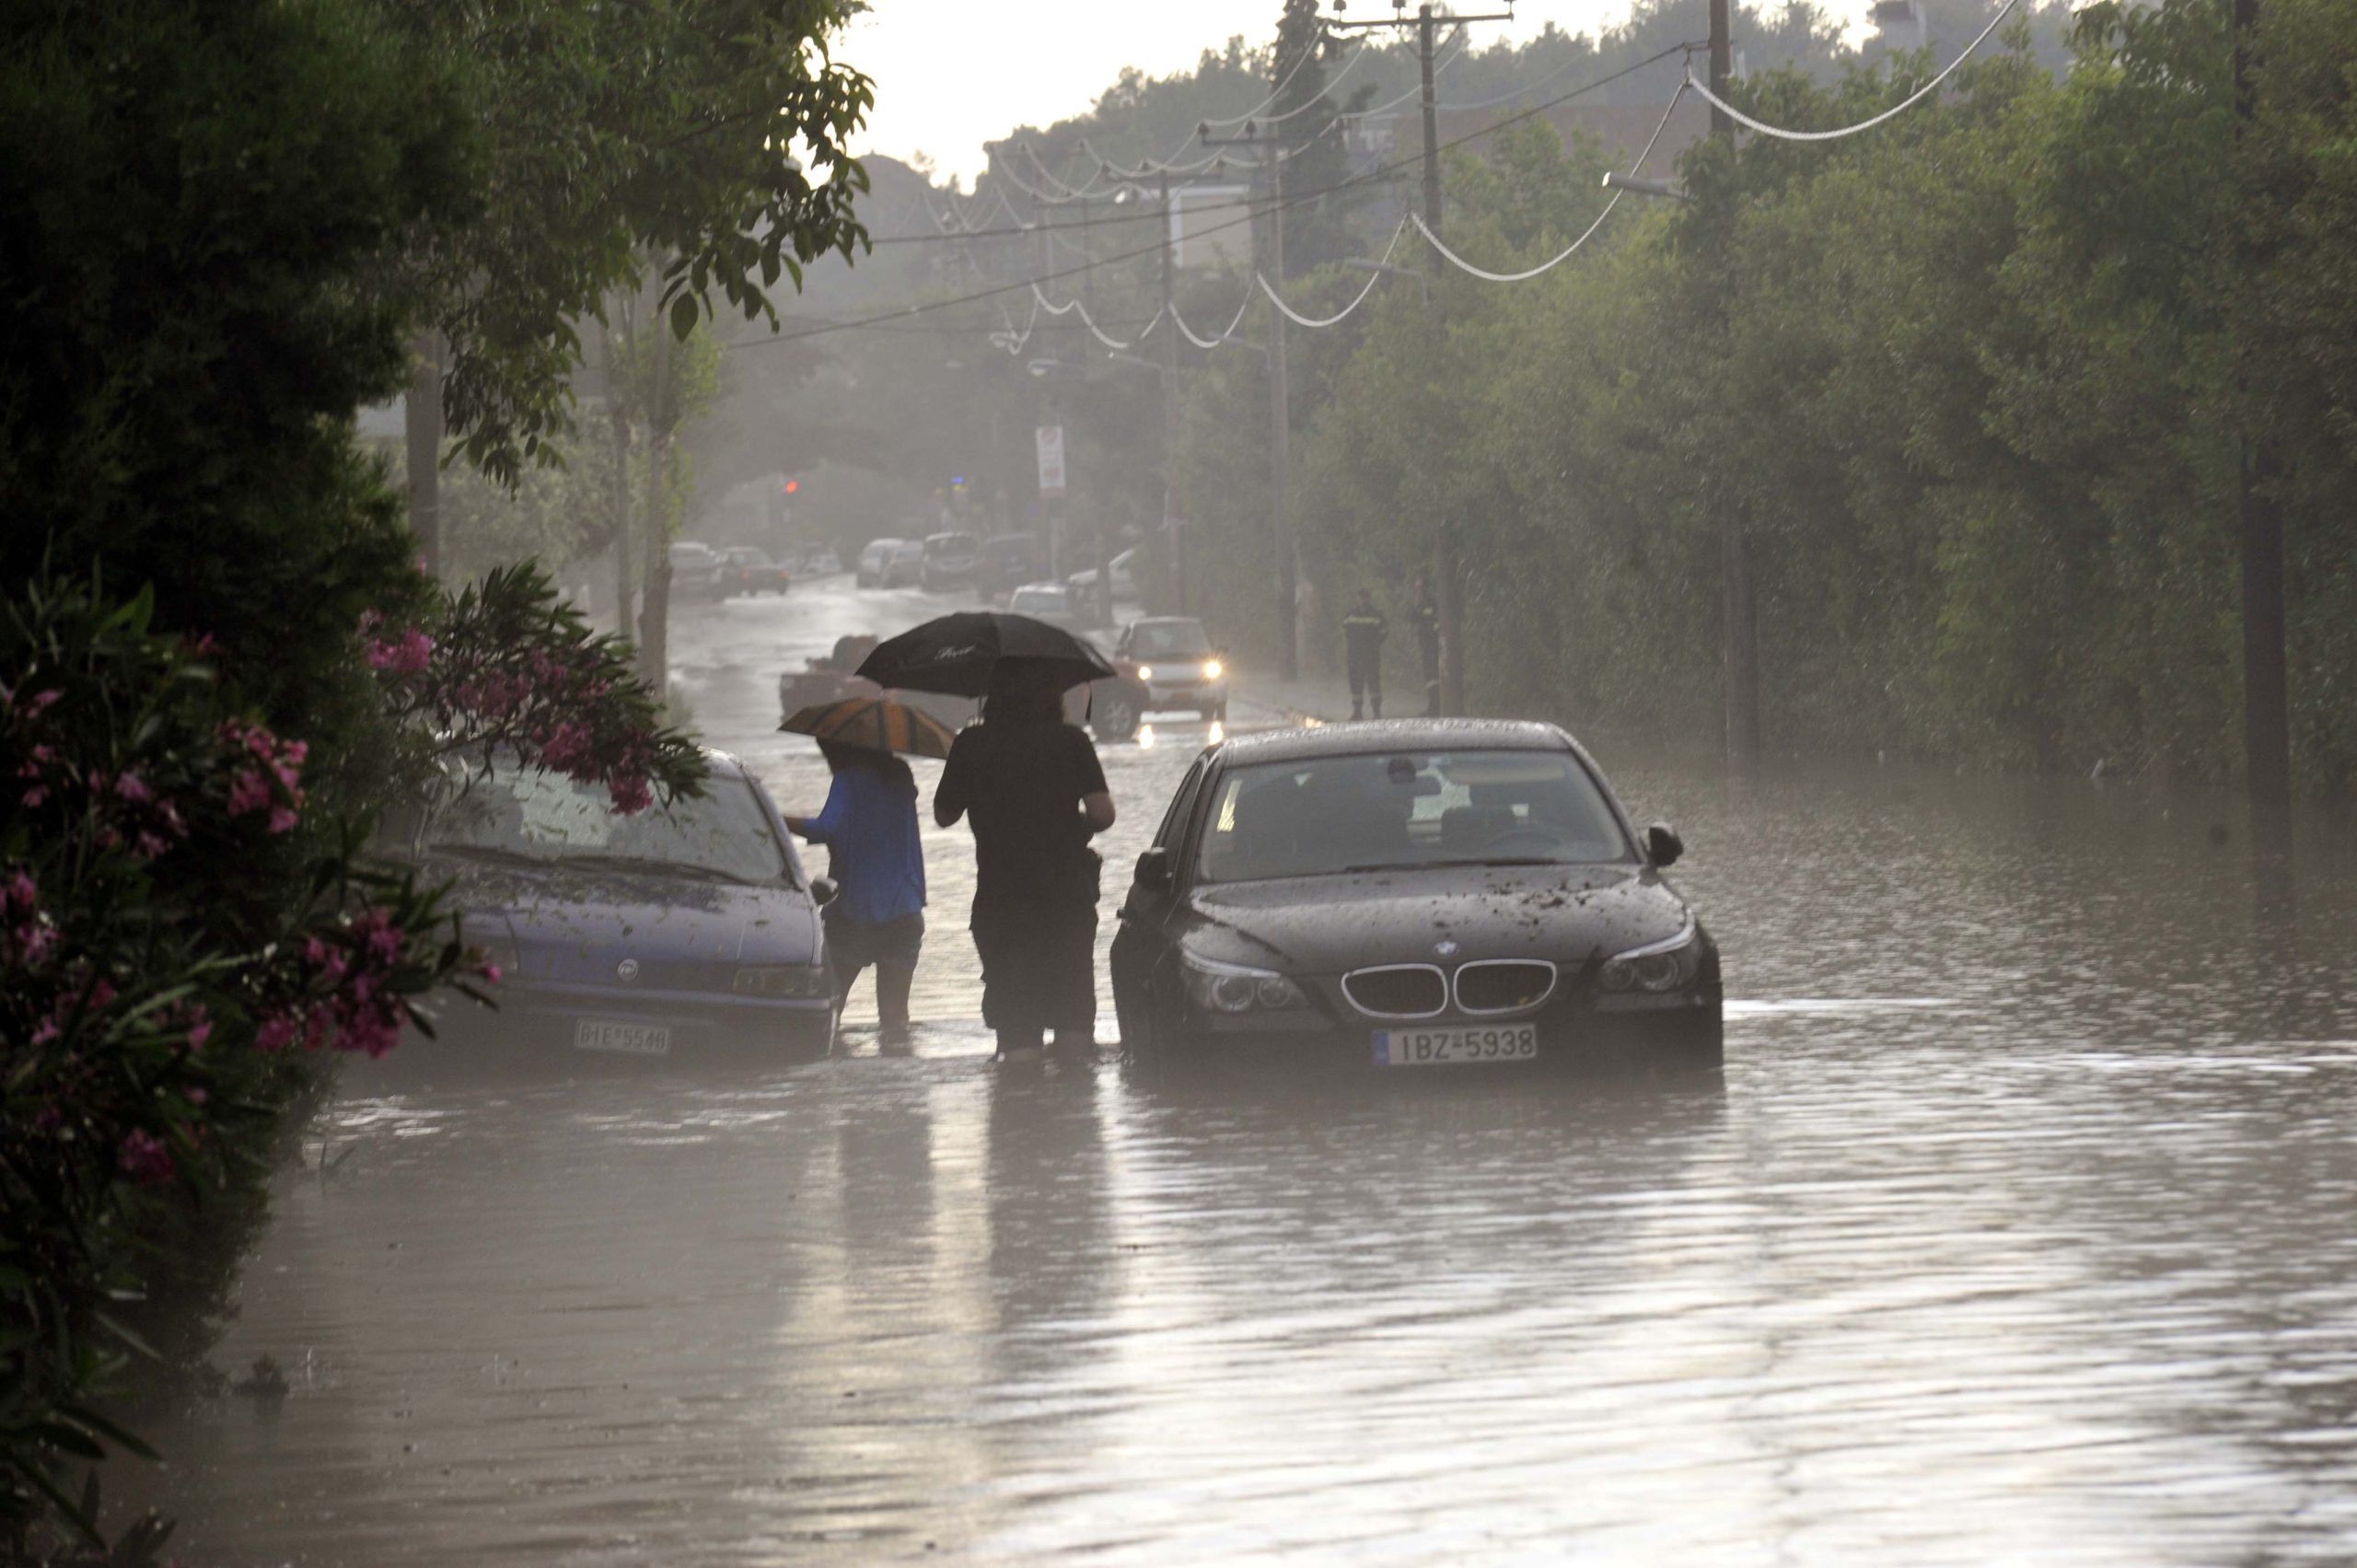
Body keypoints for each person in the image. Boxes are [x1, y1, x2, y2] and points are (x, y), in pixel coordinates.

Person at [934, 660, 1116, 1062]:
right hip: (1065, 900)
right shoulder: (1071, 741)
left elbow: (943, 816)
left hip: (1001, 903)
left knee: (1018, 1033)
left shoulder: (971, 743)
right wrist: (1068, 819)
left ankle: (1020, 1113)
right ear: (1052, 695)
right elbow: (1103, 814)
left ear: (993, 696)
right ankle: (1074, 1113)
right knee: (1073, 1024)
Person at [785, 741, 926, 1046]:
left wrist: (775, 817)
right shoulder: (901, 778)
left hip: (855, 912)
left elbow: (826, 828)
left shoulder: (849, 780)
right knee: (895, 1019)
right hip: (905, 908)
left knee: (831, 1010)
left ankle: (836, 1083)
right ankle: (902, 1084)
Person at [1341, 587, 1387, 720]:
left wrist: (1374, 644)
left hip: (1371, 655)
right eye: (1361, 597)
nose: (1363, 600)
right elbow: (1345, 630)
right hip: (1354, 655)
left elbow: (1384, 631)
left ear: (1369, 599)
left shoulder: (1376, 614)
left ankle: (1376, 711)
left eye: (1365, 597)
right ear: (1358, 599)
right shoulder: (1351, 614)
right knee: (1356, 682)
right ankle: (1357, 711)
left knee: (1373, 682)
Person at [1412, 573, 1441, 717]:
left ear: (1426, 588)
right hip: (1425, 645)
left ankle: (1436, 706)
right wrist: (1416, 605)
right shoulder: (1420, 605)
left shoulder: (1433, 603)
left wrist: (1434, 638)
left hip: (1433, 645)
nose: (1419, 591)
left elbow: (1437, 624)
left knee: (1434, 676)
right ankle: (1432, 705)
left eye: (1421, 588)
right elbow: (1410, 618)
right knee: (1429, 678)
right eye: (1416, 588)